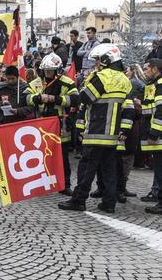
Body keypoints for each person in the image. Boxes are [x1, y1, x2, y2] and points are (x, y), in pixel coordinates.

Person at [59, 44, 132, 213]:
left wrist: (87, 81)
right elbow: (128, 108)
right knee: (109, 170)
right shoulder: (124, 79)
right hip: (112, 135)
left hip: (96, 132)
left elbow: (85, 98)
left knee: (87, 169)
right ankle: (109, 203)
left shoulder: (100, 77)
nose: (96, 63)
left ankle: (78, 200)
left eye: (98, 59)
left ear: (106, 60)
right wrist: (124, 131)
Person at [26, 53, 79, 195]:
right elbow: (26, 98)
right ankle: (43, 183)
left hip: (60, 125)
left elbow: (75, 99)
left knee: (62, 157)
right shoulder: (37, 82)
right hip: (42, 124)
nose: (47, 73)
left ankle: (65, 184)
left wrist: (55, 99)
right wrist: (37, 98)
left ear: (57, 70)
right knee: (42, 156)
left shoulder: (67, 82)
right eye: (45, 70)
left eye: (50, 70)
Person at [0, 66, 34, 184]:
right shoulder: (0, 86)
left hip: (17, 122)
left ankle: (14, 176)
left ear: (17, 77)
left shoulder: (25, 88)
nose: (10, 81)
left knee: (15, 151)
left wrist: (18, 111)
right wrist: (1, 104)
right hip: (1, 121)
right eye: (8, 78)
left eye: (13, 79)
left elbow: (31, 107)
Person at [141, 59, 162, 214]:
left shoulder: (160, 85)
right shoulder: (155, 85)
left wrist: (154, 133)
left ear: (155, 69)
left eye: (146, 68)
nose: (144, 71)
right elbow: (151, 109)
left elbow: (160, 111)